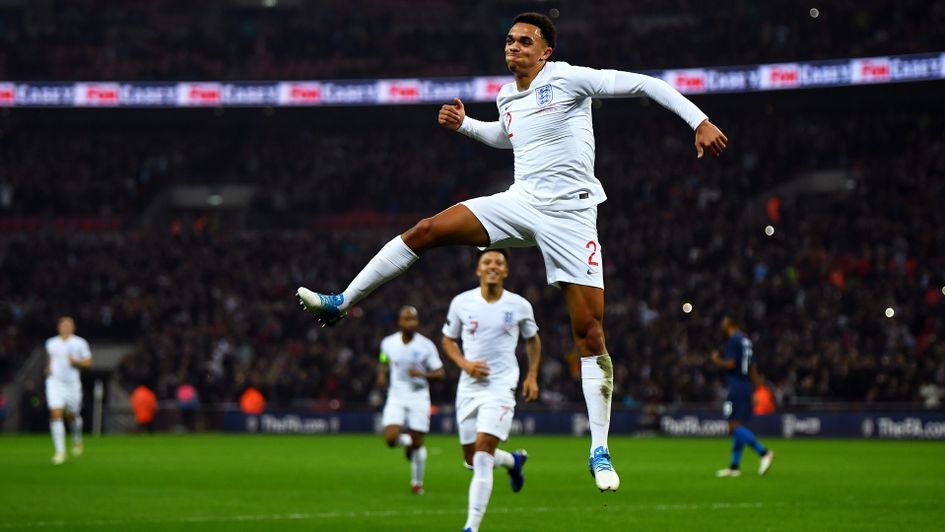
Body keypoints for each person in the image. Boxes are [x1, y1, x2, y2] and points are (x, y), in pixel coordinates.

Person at [298, 11, 728, 491]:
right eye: (509, 40)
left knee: (589, 334)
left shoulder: (568, 78)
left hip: (570, 215)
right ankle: (342, 302)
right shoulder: (507, 96)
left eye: (525, 41)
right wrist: (465, 126)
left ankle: (600, 450)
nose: (514, 47)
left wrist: (700, 120)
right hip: (520, 201)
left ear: (546, 51)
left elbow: (646, 85)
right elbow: (507, 137)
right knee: (426, 229)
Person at [442, 249, 540, 532]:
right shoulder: (461, 302)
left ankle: (471, 527)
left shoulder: (519, 305)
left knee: (483, 456)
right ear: (478, 270)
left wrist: (532, 375)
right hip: (469, 388)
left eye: (499, 262)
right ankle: (513, 461)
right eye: (487, 262)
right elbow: (448, 340)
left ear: (506, 271)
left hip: (501, 386)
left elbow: (533, 340)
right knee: (471, 460)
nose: (493, 266)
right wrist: (465, 364)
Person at [377, 305, 445, 495]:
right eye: (407, 319)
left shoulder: (426, 346)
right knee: (391, 439)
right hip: (396, 395)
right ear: (399, 322)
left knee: (418, 444)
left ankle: (417, 483)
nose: (411, 323)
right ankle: (408, 442)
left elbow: (440, 373)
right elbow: (383, 358)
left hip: (418, 397)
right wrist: (382, 374)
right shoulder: (388, 343)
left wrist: (421, 374)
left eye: (414, 319)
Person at [710, 317, 775, 477]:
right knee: (736, 425)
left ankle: (763, 452)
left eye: (724, 321)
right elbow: (753, 368)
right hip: (745, 386)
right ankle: (734, 466)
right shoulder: (746, 341)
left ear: (731, 324)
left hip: (736, 386)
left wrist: (716, 360)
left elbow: (731, 364)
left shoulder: (733, 341)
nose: (721, 324)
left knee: (733, 427)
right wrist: (754, 390)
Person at [44, 316, 92, 465]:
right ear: (58, 327)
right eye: (63, 324)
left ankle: (76, 438)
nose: (65, 327)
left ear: (73, 327)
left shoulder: (79, 342)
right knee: (56, 413)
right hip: (55, 382)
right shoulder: (51, 343)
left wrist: (76, 362)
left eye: (68, 324)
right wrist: (48, 369)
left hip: (72, 385)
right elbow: (51, 359)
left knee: (72, 416)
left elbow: (88, 362)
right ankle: (60, 452)